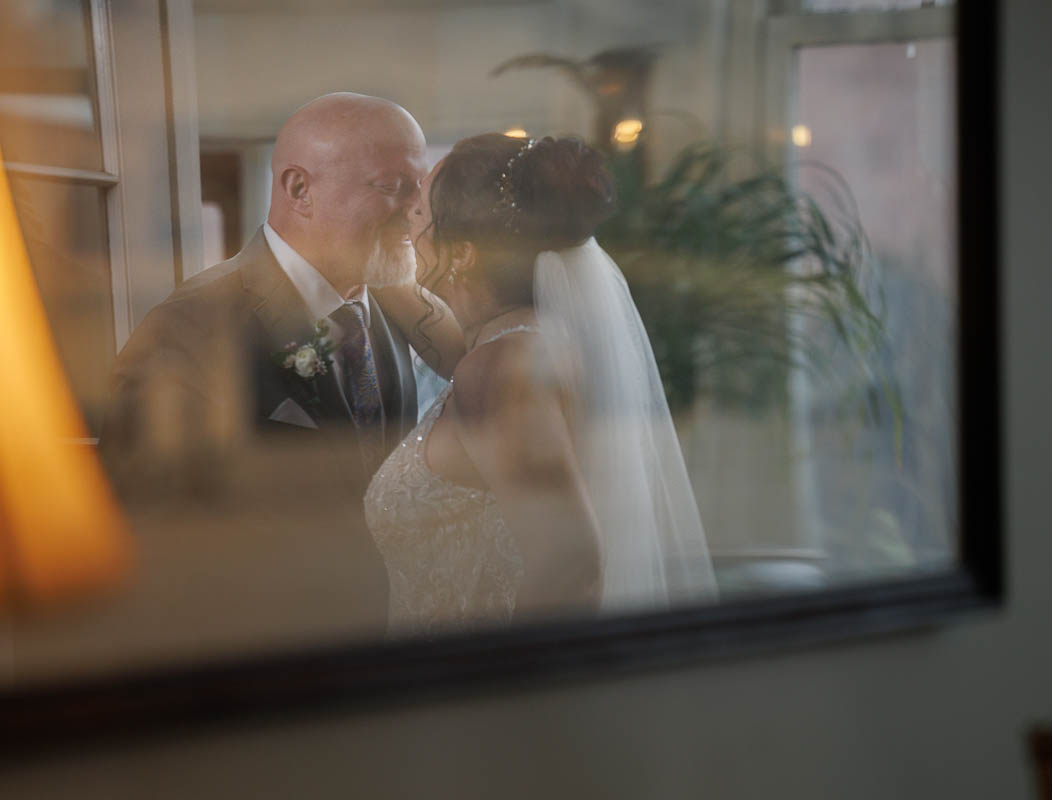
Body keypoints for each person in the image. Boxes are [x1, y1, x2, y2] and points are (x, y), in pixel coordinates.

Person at [101, 93, 460, 635]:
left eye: (419, 186)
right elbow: (150, 547)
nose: (415, 209)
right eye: (391, 186)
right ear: (299, 190)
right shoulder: (188, 330)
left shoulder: (394, 302)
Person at [365, 133, 718, 633]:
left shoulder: (499, 367)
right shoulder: (527, 343)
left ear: (462, 254)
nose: (404, 220)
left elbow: (569, 567)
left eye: (418, 212)